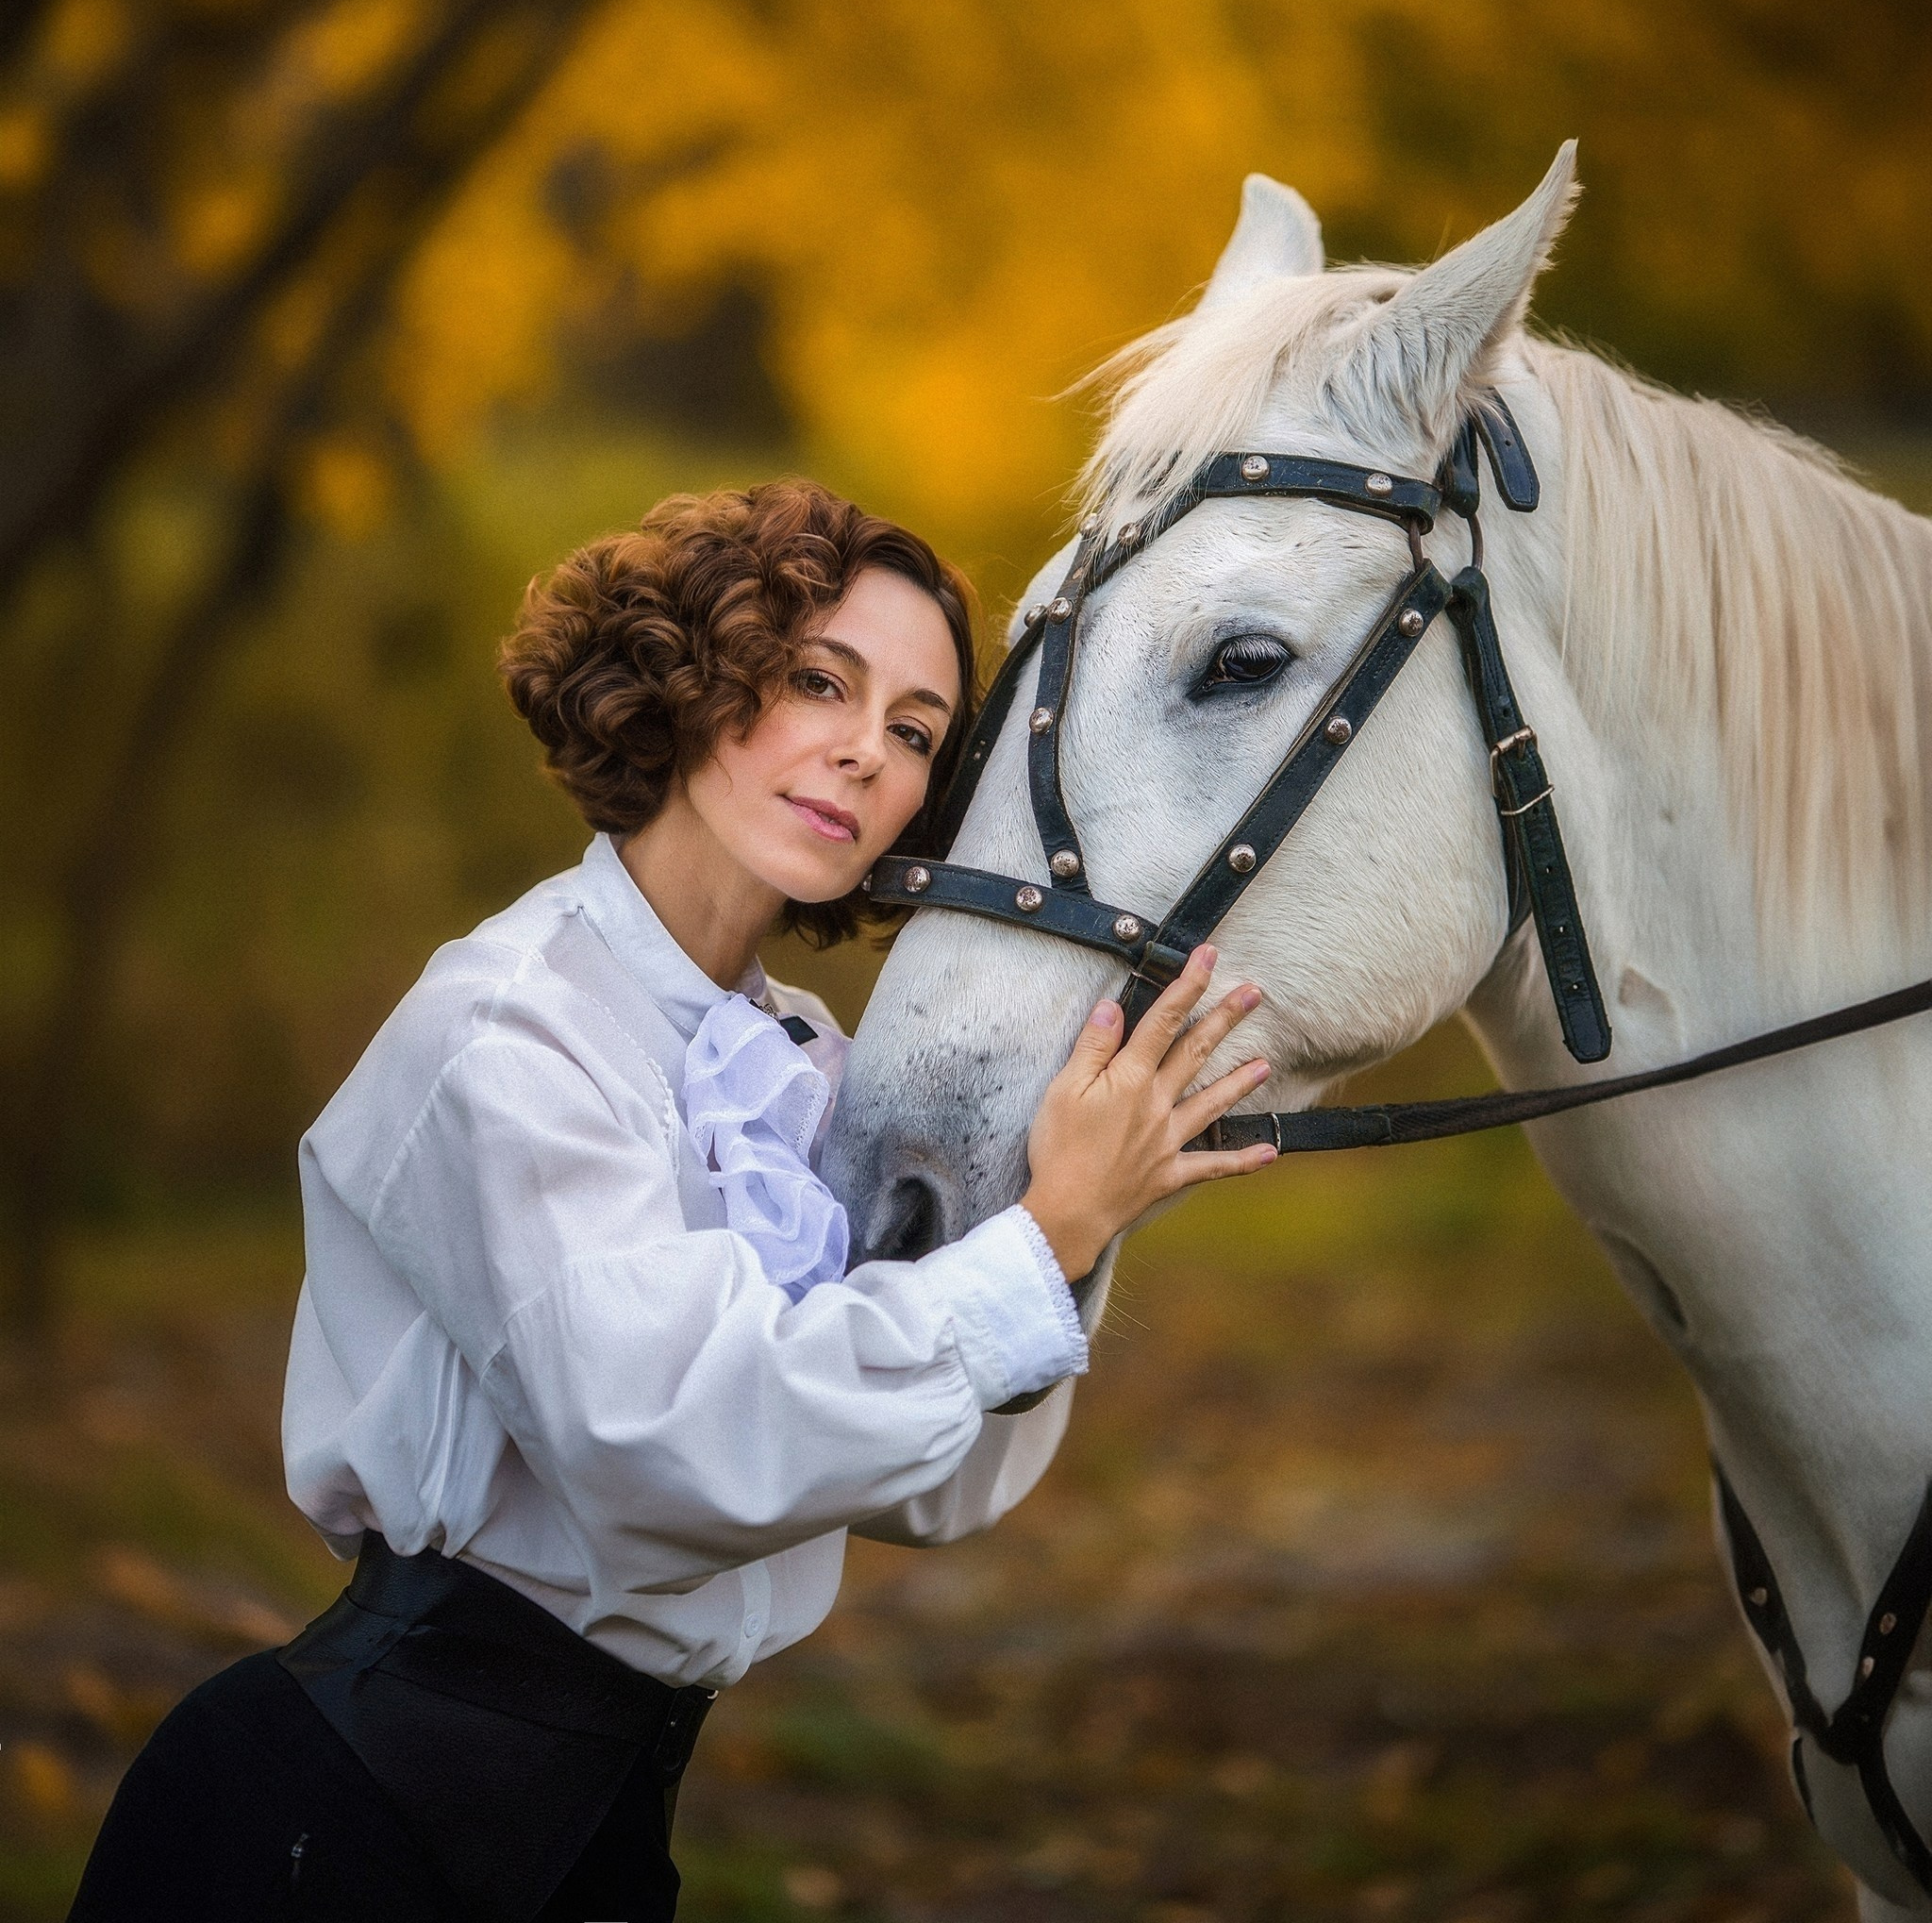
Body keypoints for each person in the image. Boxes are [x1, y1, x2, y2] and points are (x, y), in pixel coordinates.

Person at [69, 478, 1275, 1923]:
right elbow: (666, 1449)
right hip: (337, 1820)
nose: (865, 751)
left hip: (604, 1831)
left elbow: (926, 1483)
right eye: (820, 681)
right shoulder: (509, 1029)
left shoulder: (813, 1069)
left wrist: (1080, 1202)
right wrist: (1040, 1241)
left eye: (915, 732)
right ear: (697, 678)